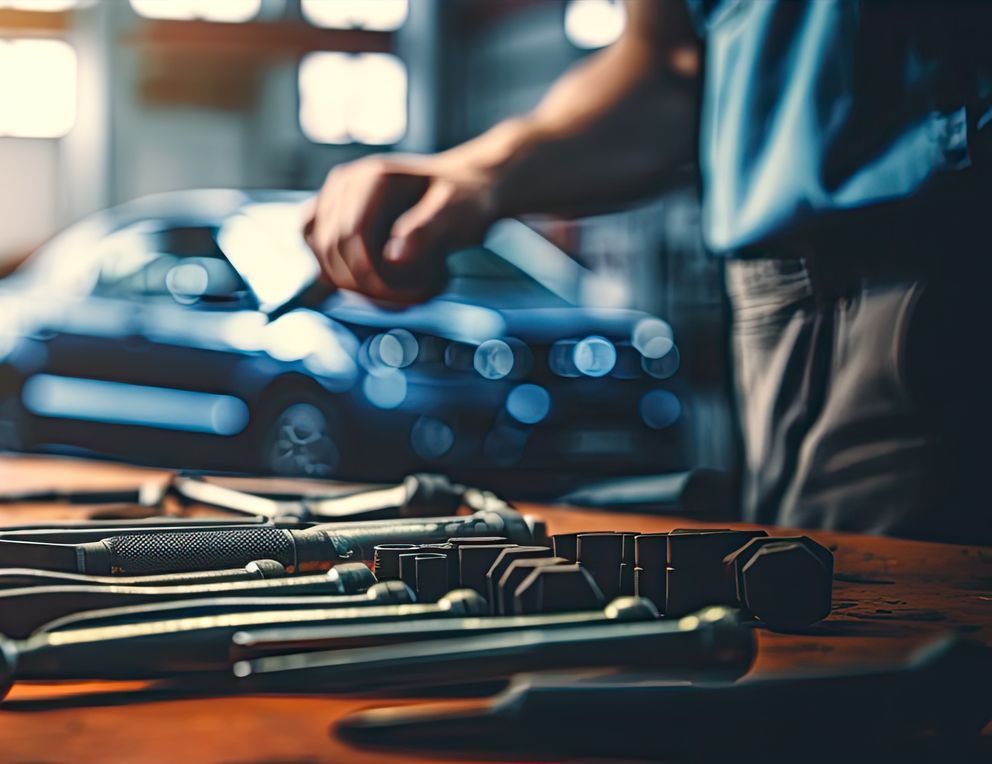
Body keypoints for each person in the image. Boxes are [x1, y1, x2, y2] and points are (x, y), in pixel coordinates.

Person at [304, 0, 990, 543]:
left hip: (935, 279)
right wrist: (478, 173)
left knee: (885, 660)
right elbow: (667, 62)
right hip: (774, 307)